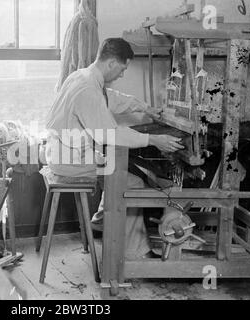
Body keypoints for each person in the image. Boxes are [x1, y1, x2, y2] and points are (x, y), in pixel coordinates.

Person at [45, 38, 184, 260]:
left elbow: (112, 100)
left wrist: (145, 108)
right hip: (69, 161)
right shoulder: (87, 89)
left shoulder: (83, 76)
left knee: (120, 165)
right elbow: (111, 134)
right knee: (132, 182)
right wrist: (153, 140)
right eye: (122, 68)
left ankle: (101, 222)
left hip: (62, 152)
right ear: (111, 63)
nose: (122, 75)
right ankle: (135, 252)